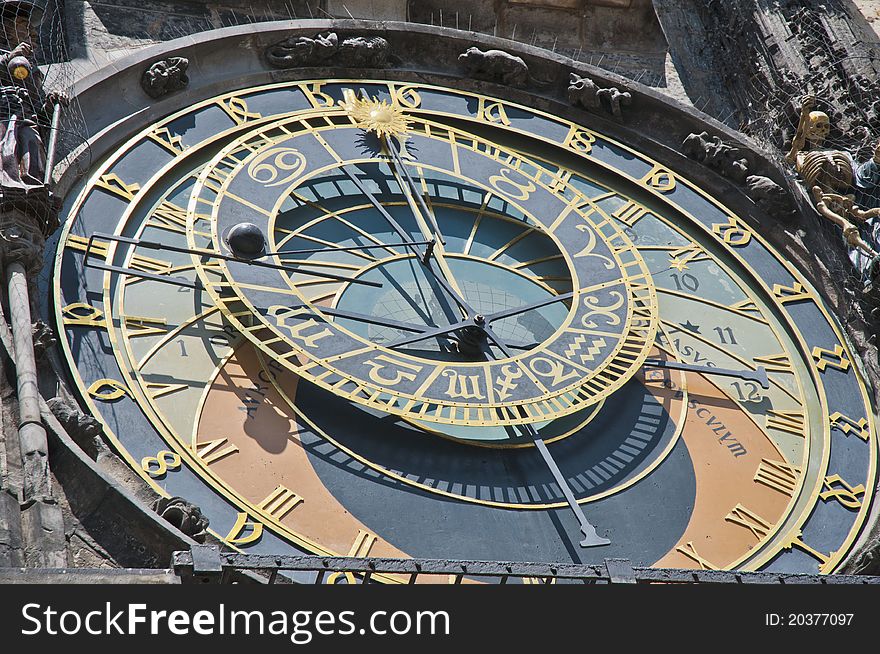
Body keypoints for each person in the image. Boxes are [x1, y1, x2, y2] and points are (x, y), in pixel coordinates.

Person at [0, 0, 54, 218]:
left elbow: (39, 106)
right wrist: (9, 57)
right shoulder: (6, 55)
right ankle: (7, 184)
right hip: (3, 111)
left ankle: (30, 185)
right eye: (24, 24)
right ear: (5, 28)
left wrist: (49, 104)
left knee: (32, 145)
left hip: (25, 114)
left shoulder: (32, 69)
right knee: (5, 147)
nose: (32, 32)